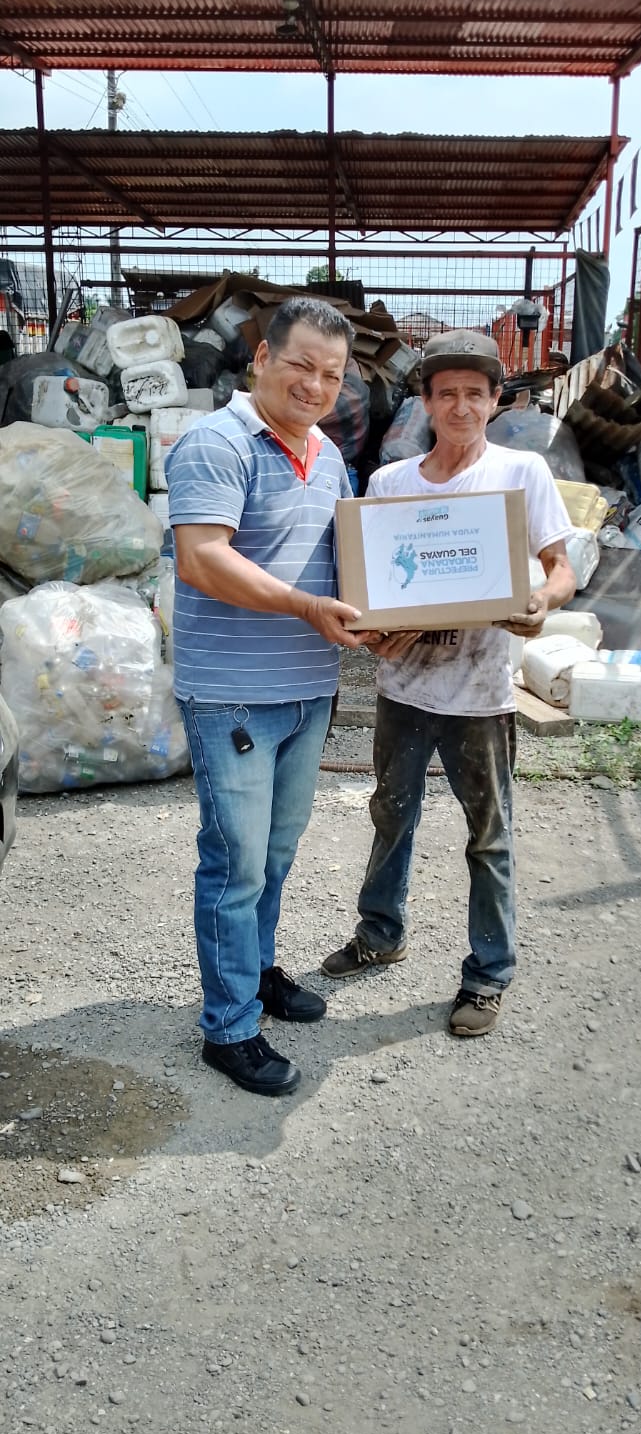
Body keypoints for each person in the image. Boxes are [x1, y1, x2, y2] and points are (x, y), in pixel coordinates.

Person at [321, 330, 576, 1038]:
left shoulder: (521, 473)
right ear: (426, 403)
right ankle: (380, 934)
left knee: (488, 837)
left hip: (480, 693)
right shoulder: (390, 484)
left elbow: (560, 568)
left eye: (475, 394)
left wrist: (541, 601)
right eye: (446, 394)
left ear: (495, 401)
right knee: (390, 816)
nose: (461, 406)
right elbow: (367, 590)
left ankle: (488, 975)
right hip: (404, 687)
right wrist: (372, 632)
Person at [166, 297, 369, 1098]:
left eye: (332, 375)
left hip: (308, 691)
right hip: (235, 698)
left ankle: (256, 971)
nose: (315, 385)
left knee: (274, 856)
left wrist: (391, 616)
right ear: (261, 359)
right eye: (301, 366)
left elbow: (346, 556)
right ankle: (229, 1029)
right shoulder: (217, 443)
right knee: (235, 864)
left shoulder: (327, 453)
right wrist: (306, 608)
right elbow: (202, 559)